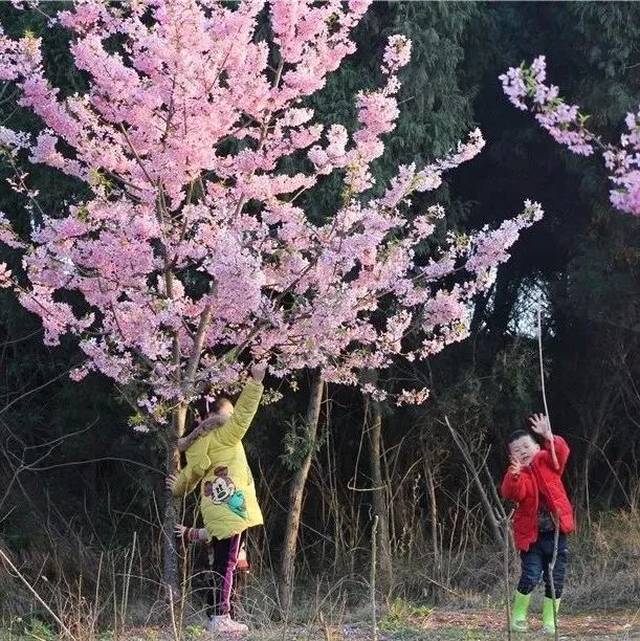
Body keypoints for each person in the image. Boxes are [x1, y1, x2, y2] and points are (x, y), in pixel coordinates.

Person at [167, 362, 266, 634]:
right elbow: (244, 414)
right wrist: (255, 382)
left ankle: (216, 615)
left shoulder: (197, 445)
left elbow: (189, 477)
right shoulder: (227, 434)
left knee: (223, 562)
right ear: (219, 416)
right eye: (228, 413)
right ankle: (221, 616)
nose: (232, 417)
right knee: (228, 563)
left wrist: (176, 487)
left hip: (215, 510)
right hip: (233, 511)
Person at [501, 413, 575, 635]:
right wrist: (513, 476)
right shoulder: (517, 474)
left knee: (556, 578)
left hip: (556, 534)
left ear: (536, 447)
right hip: (531, 538)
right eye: (517, 450)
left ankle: (550, 621)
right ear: (511, 457)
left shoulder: (547, 461)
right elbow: (513, 493)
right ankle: (518, 616)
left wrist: (548, 435)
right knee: (531, 575)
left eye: (526, 446)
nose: (522, 451)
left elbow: (561, 453)